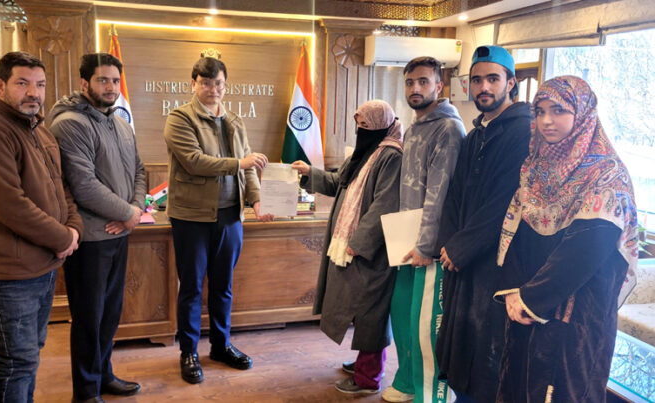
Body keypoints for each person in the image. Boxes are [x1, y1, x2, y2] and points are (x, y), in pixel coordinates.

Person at [493, 76, 638, 402]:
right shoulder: (536, 168)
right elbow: (517, 234)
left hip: (576, 315)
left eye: (558, 110)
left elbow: (585, 251)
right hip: (525, 309)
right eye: (540, 111)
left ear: (582, 113)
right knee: (517, 385)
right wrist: (514, 292)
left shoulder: (606, 175)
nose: (547, 120)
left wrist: (530, 299)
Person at [0, 51, 83, 403]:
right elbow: (10, 207)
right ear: (1, 86)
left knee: (29, 355)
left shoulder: (38, 131)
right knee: (17, 364)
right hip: (7, 274)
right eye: (22, 83)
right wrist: (64, 237)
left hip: (42, 265)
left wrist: (74, 228)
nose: (34, 93)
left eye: (40, 85)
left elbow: (62, 190)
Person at [163, 56, 272, 385]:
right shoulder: (179, 118)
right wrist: (240, 163)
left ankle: (221, 346)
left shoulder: (235, 121)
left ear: (226, 85)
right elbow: (195, 162)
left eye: (218, 83)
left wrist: (256, 202)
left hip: (230, 216)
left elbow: (249, 170)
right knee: (192, 287)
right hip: (191, 217)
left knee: (223, 287)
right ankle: (188, 351)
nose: (213, 89)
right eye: (206, 83)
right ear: (193, 84)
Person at [434, 45, 532, 403]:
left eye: (493, 79)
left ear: (511, 82)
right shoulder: (476, 135)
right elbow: (454, 194)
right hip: (463, 263)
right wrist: (448, 244)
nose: (484, 87)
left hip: (496, 263)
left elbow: (506, 201)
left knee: (487, 360)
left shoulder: (523, 132)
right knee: (460, 349)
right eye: (477, 80)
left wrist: (461, 248)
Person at [47, 53, 146, 402]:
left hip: (119, 233)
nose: (111, 87)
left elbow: (139, 171)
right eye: (103, 80)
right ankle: (86, 391)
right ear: (84, 82)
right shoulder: (70, 124)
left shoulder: (120, 123)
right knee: (89, 318)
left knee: (110, 314)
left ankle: (104, 376)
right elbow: (83, 185)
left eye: (115, 80)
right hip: (90, 239)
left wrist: (135, 210)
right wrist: (128, 213)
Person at [292, 99, 403, 395]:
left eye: (367, 125)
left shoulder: (392, 155)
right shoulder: (367, 151)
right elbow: (338, 182)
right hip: (354, 245)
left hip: (372, 250)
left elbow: (384, 205)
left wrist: (359, 242)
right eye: (359, 125)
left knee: (371, 314)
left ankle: (369, 378)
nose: (361, 130)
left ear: (381, 125)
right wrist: (309, 172)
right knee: (360, 309)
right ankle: (364, 363)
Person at [384, 57, 465, 403]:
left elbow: (439, 194)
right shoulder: (415, 126)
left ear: (438, 86)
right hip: (406, 238)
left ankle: (431, 395)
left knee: (425, 325)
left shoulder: (448, 128)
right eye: (409, 82)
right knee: (402, 316)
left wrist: (426, 246)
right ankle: (407, 381)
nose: (415, 88)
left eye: (423, 81)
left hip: (430, 247)